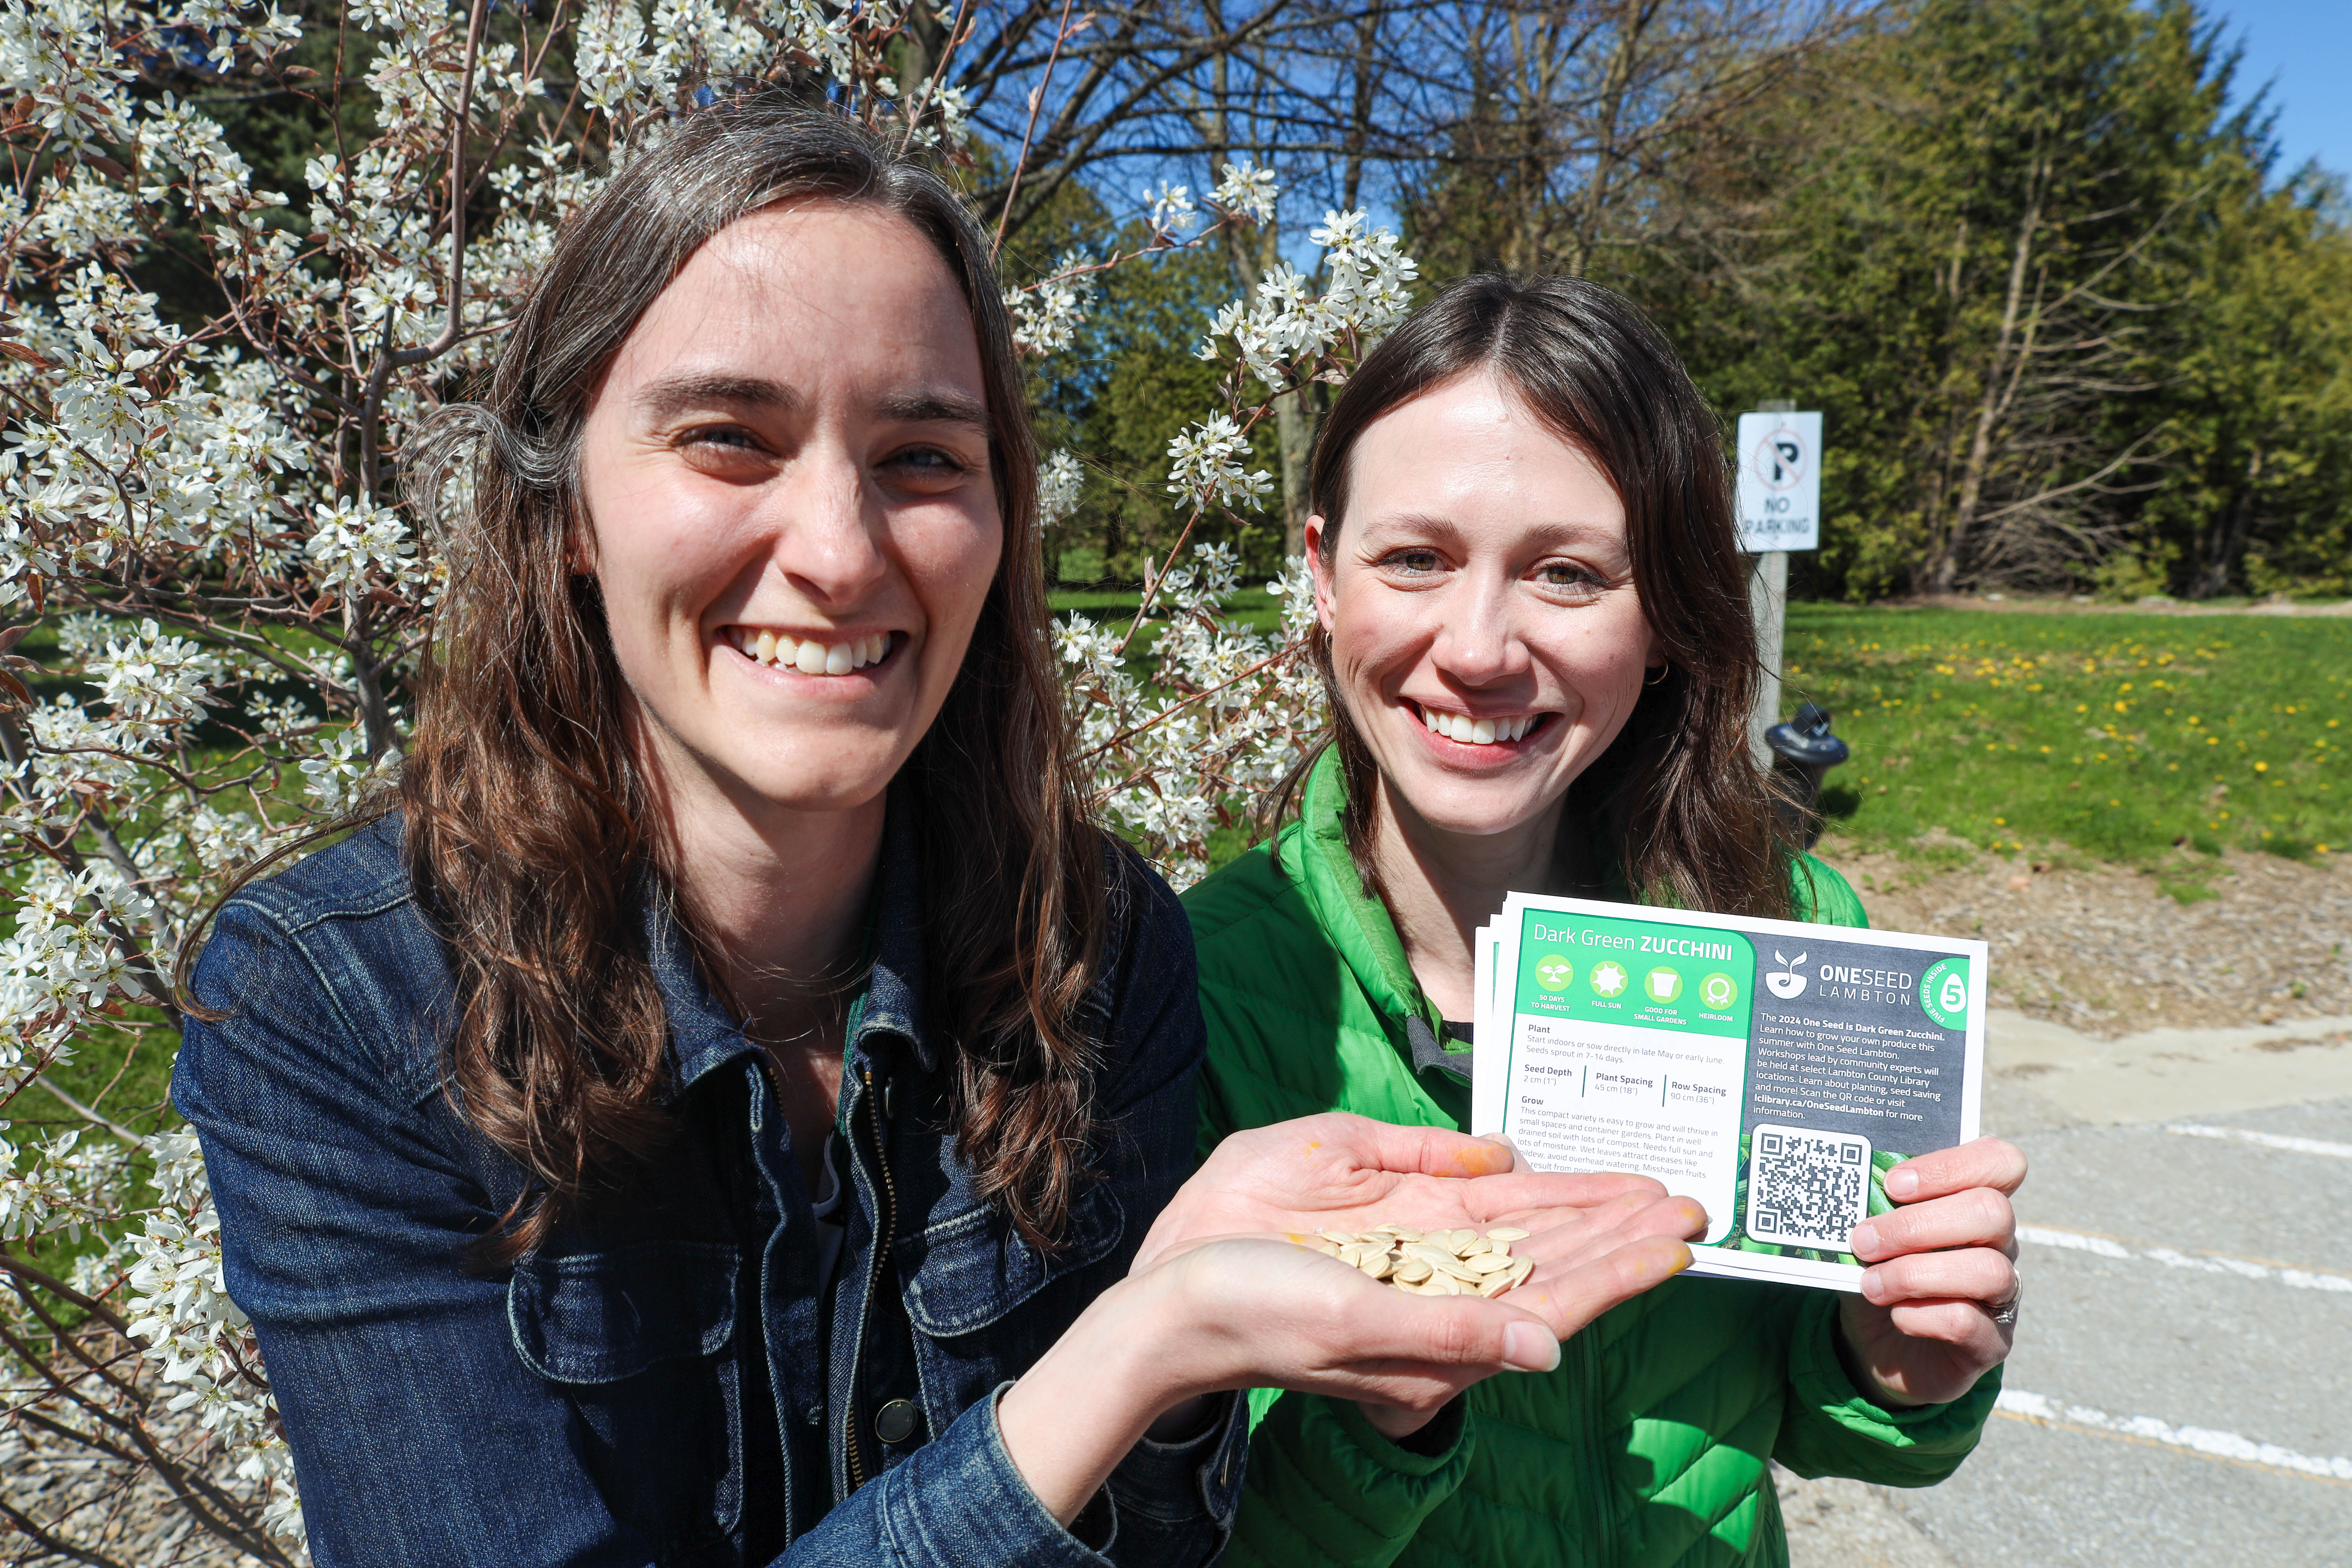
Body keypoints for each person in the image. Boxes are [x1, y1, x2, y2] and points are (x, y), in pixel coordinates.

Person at [172, 108, 1713, 1568]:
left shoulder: (1095, 948)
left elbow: (1167, 1543)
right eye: (728, 438)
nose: (839, 553)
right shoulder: (338, 1007)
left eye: (922, 458)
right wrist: (1124, 1358)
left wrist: (1198, 1362)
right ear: (569, 504)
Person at [1185, 274, 2027, 1568]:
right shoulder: (1187, 991)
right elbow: (1168, 1522)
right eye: (1414, 558)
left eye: (1568, 575)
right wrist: (1381, 1423)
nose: (1478, 649)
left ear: (1671, 616)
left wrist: (1900, 1359)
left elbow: (1828, 1412)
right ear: (1319, 571)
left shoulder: (1793, 936)